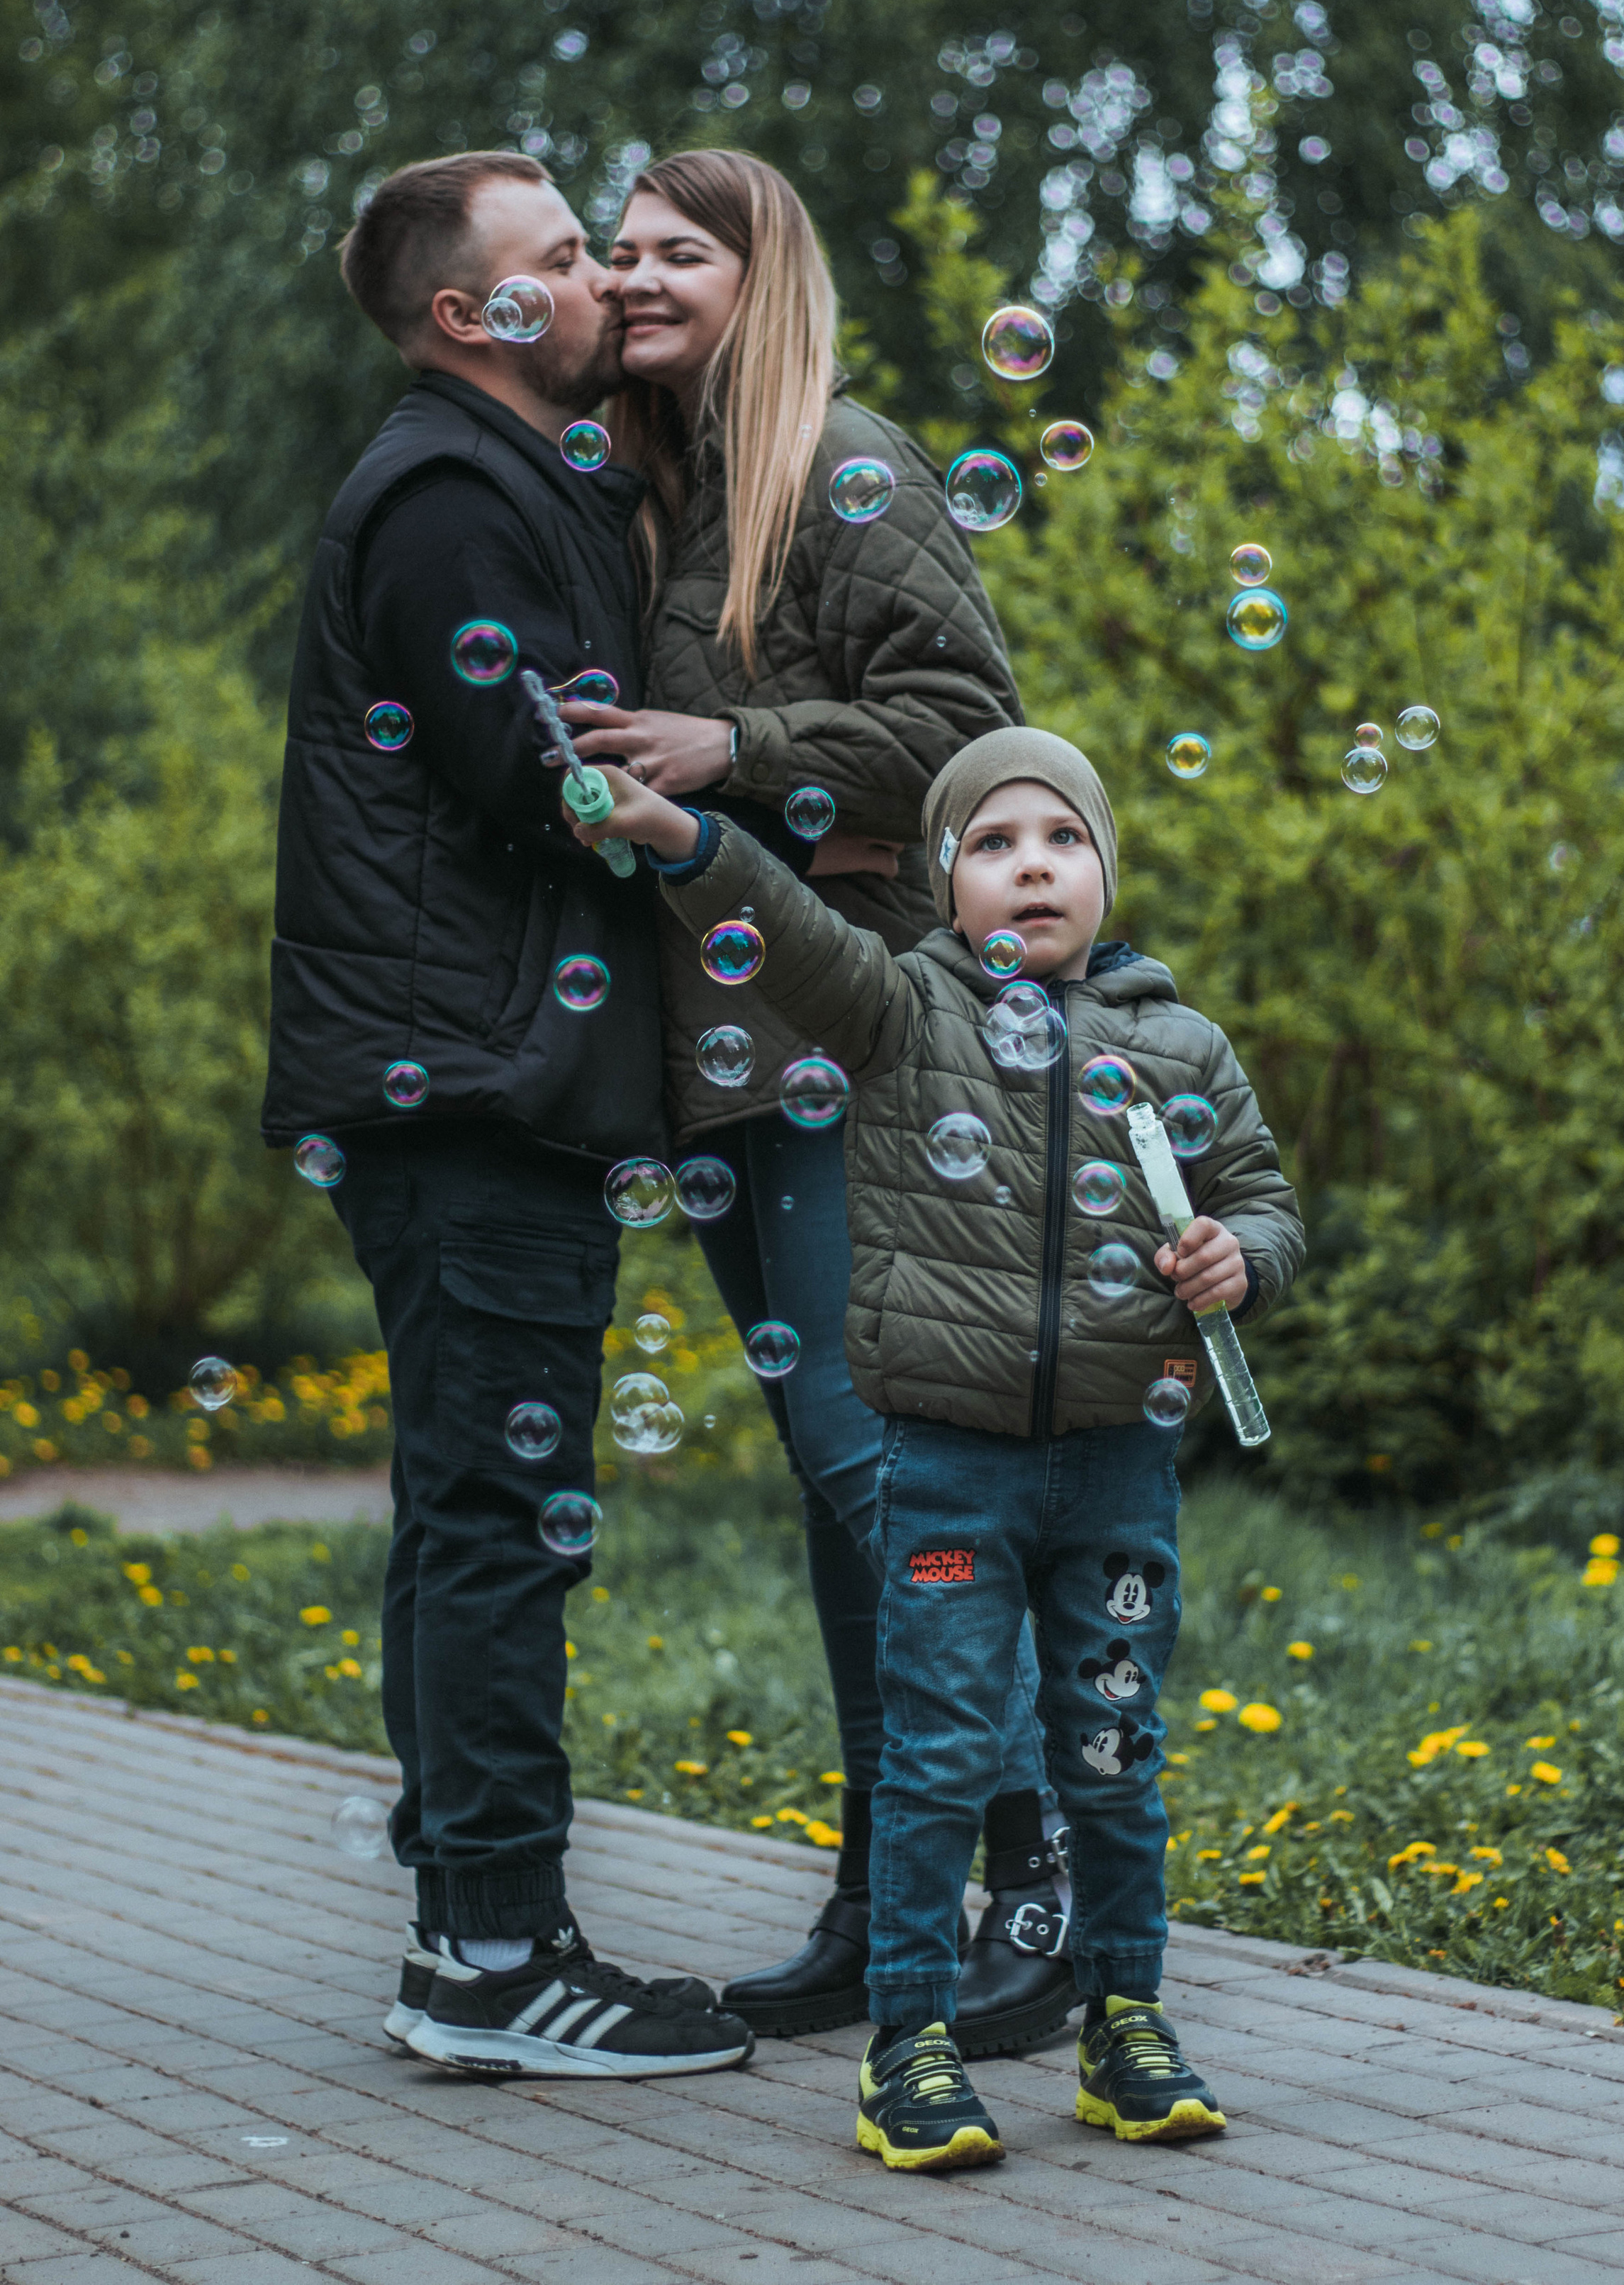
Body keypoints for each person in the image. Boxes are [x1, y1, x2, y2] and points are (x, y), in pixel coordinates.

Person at [566, 725, 1304, 2168]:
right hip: (948, 1460)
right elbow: (779, 930)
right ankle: (905, 2045)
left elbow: (1263, 1199)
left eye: (1061, 840)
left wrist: (1242, 1257)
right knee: (940, 1756)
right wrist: (676, 834)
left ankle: (1124, 2022)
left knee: (1108, 1749)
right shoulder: (902, 1010)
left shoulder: (1178, 1045)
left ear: (1103, 868)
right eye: (991, 843)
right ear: (943, 885)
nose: (1031, 866)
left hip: (1114, 1465)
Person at [563, 149, 1073, 2054]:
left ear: (761, 275)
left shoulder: (837, 460)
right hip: (713, 1044)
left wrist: (737, 742)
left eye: (675, 249)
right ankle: (884, 1893)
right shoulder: (656, 490)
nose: (632, 274)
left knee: (882, 1472)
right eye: (617, 249)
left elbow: (974, 733)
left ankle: (1039, 1877)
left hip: (842, 1024)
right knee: (832, 1487)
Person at [260, 150, 754, 2080]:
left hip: (457, 1079)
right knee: (498, 1520)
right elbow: (532, 773)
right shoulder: (452, 492)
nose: (608, 280)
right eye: (564, 259)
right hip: (469, 1085)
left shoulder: (510, 478)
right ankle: (487, 1959)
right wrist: (739, 808)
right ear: (471, 315)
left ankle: (473, 1911)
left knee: (470, 1507)